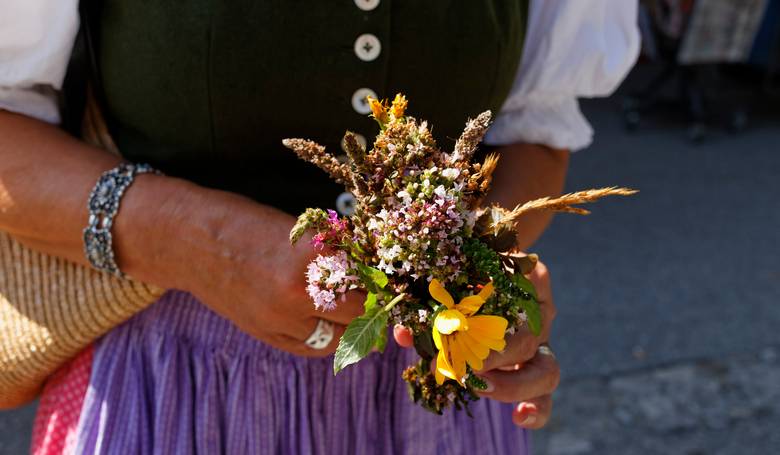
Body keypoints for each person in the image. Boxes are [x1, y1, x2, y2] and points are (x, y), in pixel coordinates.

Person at [0, 1, 639, 453]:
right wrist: (199, 243)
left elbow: (535, 129)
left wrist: (486, 273)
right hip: (171, 380)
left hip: (425, 385)